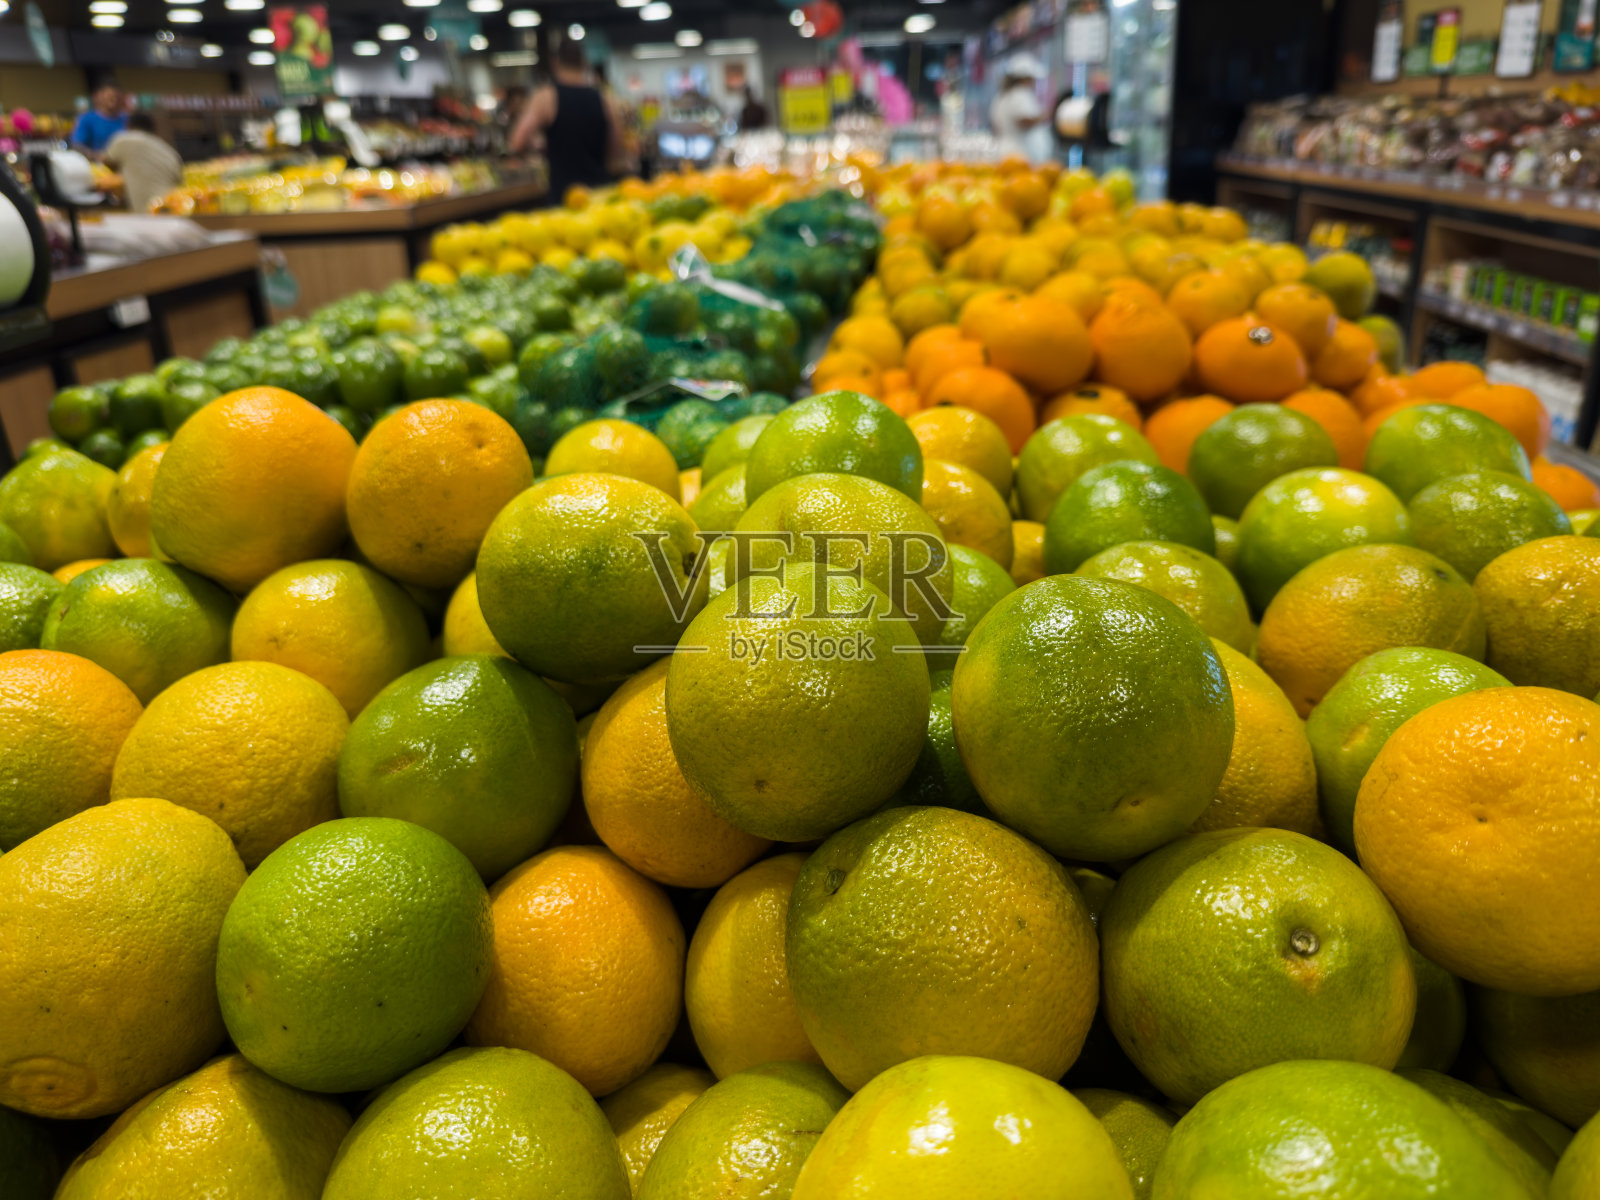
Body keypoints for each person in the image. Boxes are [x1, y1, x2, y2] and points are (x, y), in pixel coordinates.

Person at [509, 36, 619, 202]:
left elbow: (517, 143)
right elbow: (618, 151)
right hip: (600, 197)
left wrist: (539, 150)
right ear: (583, 62)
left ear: (555, 61)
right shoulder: (605, 100)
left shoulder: (546, 97)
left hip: (564, 199)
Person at [103, 113, 183, 213]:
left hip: (148, 211)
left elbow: (107, 163)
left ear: (129, 126)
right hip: (174, 207)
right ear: (153, 129)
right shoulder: (168, 150)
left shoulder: (124, 140)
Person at [989, 54, 1051, 164]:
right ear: (1025, 78)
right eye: (1032, 79)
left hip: (1007, 152)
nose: (1033, 82)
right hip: (1019, 156)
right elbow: (1023, 121)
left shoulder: (1002, 96)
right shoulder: (1020, 94)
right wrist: (1045, 116)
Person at [71, 86, 128, 158]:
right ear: (99, 97)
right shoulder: (86, 119)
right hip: (97, 165)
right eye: (110, 97)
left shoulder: (127, 119)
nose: (114, 100)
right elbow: (77, 145)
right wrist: (96, 155)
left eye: (116, 97)